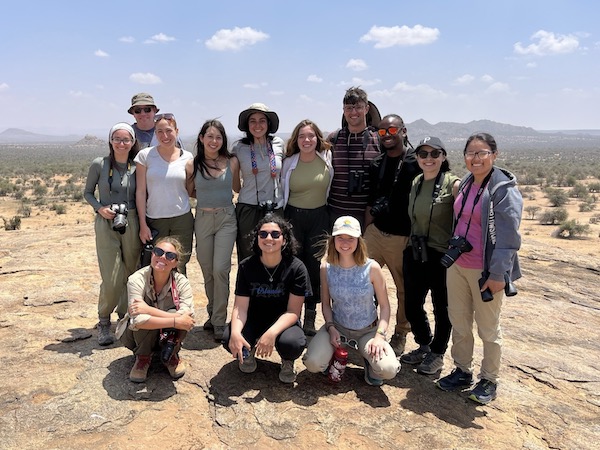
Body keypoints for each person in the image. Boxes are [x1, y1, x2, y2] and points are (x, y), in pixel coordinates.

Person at [436, 132, 523, 405]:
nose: (476, 158)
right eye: (471, 153)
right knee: (459, 322)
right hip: (458, 265)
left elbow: (509, 239)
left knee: (488, 328)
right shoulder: (465, 185)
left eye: (482, 152)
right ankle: (462, 370)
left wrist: (498, 275)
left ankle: (489, 379)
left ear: (494, 155)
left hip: (485, 270)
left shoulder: (503, 190)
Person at [303, 216, 400, 386]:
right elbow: (325, 304)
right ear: (333, 240)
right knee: (313, 363)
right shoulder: (326, 268)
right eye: (340, 237)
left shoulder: (372, 267)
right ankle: (333, 355)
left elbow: (385, 307)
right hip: (338, 329)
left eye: (351, 238)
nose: (345, 242)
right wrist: (331, 327)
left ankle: (369, 364)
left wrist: (380, 336)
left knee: (388, 369)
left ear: (359, 241)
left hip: (367, 331)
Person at [222, 215, 310, 384]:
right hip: (253, 319)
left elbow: (293, 312)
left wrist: (271, 333)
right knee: (228, 338)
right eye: (263, 234)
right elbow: (240, 307)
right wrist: (234, 332)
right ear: (257, 239)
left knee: (293, 343)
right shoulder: (246, 266)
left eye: (275, 234)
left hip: (283, 322)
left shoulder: (296, 268)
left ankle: (287, 360)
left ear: (284, 240)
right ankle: (249, 351)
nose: (269, 238)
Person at [400, 137, 460, 375]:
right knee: (412, 303)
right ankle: (424, 344)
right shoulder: (416, 182)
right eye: (423, 154)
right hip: (416, 251)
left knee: (441, 307)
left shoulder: (453, 184)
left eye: (434, 154)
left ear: (443, 156)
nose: (428, 159)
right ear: (417, 158)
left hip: (441, 255)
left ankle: (437, 353)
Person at [364, 114, 421, 356]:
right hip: (376, 233)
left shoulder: (416, 161)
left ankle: (400, 334)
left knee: (404, 289)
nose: (386, 136)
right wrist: (365, 231)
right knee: (361, 282)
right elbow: (370, 201)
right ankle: (365, 327)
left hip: (402, 237)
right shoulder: (378, 163)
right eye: (382, 132)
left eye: (391, 131)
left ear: (403, 131)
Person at [84, 122, 141, 346]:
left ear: (133, 142)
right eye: (117, 139)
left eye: (126, 139)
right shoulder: (99, 164)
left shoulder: (138, 166)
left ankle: (125, 317)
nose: (121, 143)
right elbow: (88, 192)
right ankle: (104, 321)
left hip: (132, 220)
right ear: (110, 141)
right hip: (106, 222)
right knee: (111, 276)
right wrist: (99, 208)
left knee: (131, 272)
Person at [186, 119, 239, 341]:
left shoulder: (232, 162)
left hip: (227, 217)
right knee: (207, 269)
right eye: (210, 136)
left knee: (220, 269)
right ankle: (212, 313)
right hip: (203, 219)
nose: (214, 141)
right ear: (201, 138)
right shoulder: (192, 165)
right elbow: (190, 191)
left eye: (218, 137)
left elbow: (237, 187)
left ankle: (219, 320)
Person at [281, 119, 333, 336]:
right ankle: (293, 315)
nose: (306, 140)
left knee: (314, 266)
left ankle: (310, 313)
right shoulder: (289, 162)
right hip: (293, 218)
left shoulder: (327, 158)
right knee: (294, 265)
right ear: (296, 140)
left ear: (317, 138)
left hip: (320, 217)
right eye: (302, 136)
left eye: (311, 136)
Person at [118, 236, 195, 383]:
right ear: (152, 254)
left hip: (166, 331)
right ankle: (143, 357)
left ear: (175, 263)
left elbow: (187, 318)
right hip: (135, 336)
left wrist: (148, 309)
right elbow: (138, 321)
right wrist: (174, 320)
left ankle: (171, 355)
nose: (163, 257)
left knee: (181, 320)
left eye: (170, 255)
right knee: (173, 319)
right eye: (158, 252)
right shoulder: (136, 279)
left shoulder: (182, 282)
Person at [134, 113, 194, 275]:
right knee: (157, 265)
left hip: (182, 219)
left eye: (168, 130)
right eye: (159, 131)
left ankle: (178, 300)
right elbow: (140, 191)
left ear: (177, 131)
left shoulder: (187, 157)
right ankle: (156, 300)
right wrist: (142, 224)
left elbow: (191, 189)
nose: (164, 136)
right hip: (155, 220)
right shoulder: (145, 156)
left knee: (179, 265)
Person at [232, 103, 285, 261]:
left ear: (269, 124)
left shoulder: (278, 144)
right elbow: (235, 183)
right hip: (249, 207)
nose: (257, 125)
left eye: (262, 120)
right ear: (247, 125)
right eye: (252, 121)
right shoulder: (240, 148)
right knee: (248, 253)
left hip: (275, 207)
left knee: (275, 253)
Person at [327, 87, 381, 229]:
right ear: (344, 110)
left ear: (367, 109)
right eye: (349, 108)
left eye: (358, 107)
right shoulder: (334, 138)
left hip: (367, 216)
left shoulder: (378, 139)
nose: (354, 112)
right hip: (335, 212)